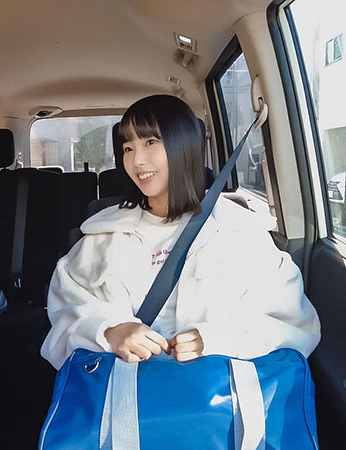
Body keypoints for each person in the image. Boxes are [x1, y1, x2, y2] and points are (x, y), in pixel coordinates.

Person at [41, 94, 320, 370]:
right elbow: (64, 315)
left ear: (183, 146)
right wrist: (109, 331)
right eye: (128, 148)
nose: (137, 160)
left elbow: (293, 323)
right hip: (123, 391)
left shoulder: (239, 231)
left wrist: (217, 339)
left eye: (150, 142)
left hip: (219, 392)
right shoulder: (102, 236)